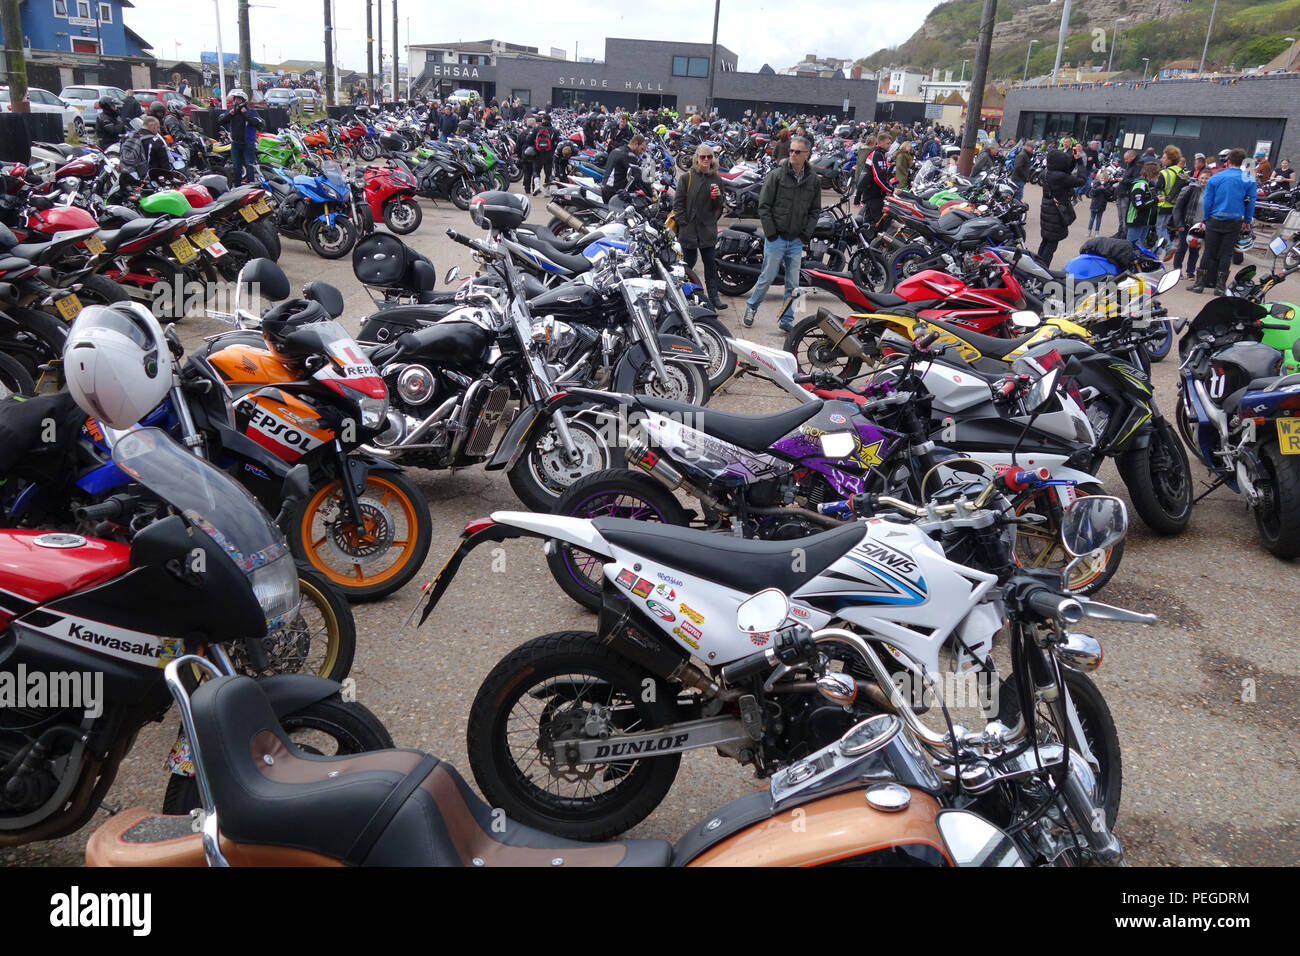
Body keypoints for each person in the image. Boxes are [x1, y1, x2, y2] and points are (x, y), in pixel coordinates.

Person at [742, 136, 821, 332]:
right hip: (776, 239)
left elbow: (815, 210)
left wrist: (804, 235)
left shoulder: (813, 180)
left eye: (797, 152)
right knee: (766, 278)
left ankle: (788, 320)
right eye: (791, 151)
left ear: (806, 155)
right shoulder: (776, 175)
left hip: (796, 241)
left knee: (794, 284)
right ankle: (752, 306)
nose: (792, 154)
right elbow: (764, 206)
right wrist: (771, 234)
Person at [1192, 148, 1255, 295]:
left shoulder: (1216, 177)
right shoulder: (1248, 179)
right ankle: (1220, 286)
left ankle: (1199, 284)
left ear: (1229, 160)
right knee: (1226, 253)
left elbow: (1208, 200)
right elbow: (1251, 201)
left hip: (1215, 218)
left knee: (1208, 251)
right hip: (1234, 220)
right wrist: (1247, 220)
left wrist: (1206, 218)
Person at [673, 145, 727, 311]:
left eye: (709, 157)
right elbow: (678, 203)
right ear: (697, 158)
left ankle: (713, 297)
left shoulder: (716, 179)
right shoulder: (687, 178)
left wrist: (717, 198)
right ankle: (687, 296)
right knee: (688, 265)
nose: (706, 160)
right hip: (689, 229)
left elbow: (720, 206)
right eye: (703, 157)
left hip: (707, 230)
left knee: (710, 265)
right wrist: (683, 223)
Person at [1037, 145, 1087, 268]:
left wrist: (1074, 160)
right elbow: (1081, 180)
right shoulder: (1060, 177)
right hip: (1056, 213)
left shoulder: (1047, 172)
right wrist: (1080, 162)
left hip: (1048, 209)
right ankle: (1042, 269)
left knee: (1046, 240)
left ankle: (1037, 265)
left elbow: (1064, 171)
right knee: (1051, 244)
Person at [216, 89, 265, 186]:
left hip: (248, 143)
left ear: (243, 100)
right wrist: (230, 114)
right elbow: (220, 121)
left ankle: (251, 185)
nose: (236, 101)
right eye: (235, 99)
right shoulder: (232, 111)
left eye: (238, 99)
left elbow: (260, 123)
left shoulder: (250, 111)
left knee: (249, 165)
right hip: (235, 143)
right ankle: (237, 186)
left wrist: (246, 114)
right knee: (236, 166)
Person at [1172, 168, 1209, 279]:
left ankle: (1190, 272)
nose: (1204, 180)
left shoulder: (1212, 192)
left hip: (1201, 225)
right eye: (1202, 178)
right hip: (1187, 224)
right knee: (1182, 248)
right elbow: (1177, 208)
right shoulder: (1189, 189)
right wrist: (1179, 224)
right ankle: (1177, 271)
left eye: (1207, 178)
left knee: (1195, 250)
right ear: (1198, 178)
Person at [1154, 145, 1186, 257]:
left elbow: (1157, 188)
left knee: (1160, 228)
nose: (1162, 160)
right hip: (1174, 205)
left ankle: (1168, 247)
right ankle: (1156, 252)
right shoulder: (1181, 171)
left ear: (1169, 159)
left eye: (1164, 157)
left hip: (1163, 204)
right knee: (1163, 228)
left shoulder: (1164, 172)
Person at [856, 131, 893, 221]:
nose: (890, 145)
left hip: (877, 195)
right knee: (874, 222)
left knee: (874, 221)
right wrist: (891, 190)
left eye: (890, 143)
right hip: (873, 195)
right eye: (887, 143)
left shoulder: (881, 154)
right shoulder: (876, 155)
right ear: (880, 143)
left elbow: (883, 174)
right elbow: (878, 177)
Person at [602, 133, 647, 202]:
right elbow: (637, 176)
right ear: (636, 144)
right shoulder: (630, 156)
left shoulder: (617, 150)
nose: (642, 152)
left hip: (605, 189)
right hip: (614, 194)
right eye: (641, 149)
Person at [1126, 162, 1161, 248]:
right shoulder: (1140, 185)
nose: (1158, 176)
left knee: (1140, 248)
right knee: (1131, 247)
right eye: (1157, 174)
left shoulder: (1150, 185)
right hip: (1136, 220)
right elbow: (1138, 204)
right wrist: (1156, 200)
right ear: (1153, 174)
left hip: (1146, 221)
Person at [1113, 149, 1141, 238]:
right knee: (1120, 215)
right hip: (1121, 191)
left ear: (1132, 157)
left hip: (1127, 193)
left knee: (1125, 215)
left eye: (1127, 159)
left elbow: (1136, 180)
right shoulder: (1130, 164)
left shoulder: (1138, 165)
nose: (1125, 161)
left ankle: (1124, 233)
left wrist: (1124, 180)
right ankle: (1120, 231)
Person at [1087, 169, 1114, 237]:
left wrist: (1104, 189)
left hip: (1101, 205)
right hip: (1094, 204)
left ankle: (1097, 232)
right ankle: (1089, 231)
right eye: (1102, 178)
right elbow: (1092, 193)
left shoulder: (1108, 186)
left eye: (1104, 178)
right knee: (1091, 219)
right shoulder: (1096, 184)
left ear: (1107, 179)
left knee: (1099, 219)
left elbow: (1109, 194)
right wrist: (1099, 188)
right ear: (1099, 178)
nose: (1103, 179)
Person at [534, 112, 556, 186]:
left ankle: (536, 186)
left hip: (538, 153)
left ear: (543, 120)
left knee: (536, 170)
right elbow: (557, 142)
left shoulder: (537, 128)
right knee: (548, 172)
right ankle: (547, 191)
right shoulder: (554, 130)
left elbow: (529, 139)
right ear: (550, 121)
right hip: (549, 154)